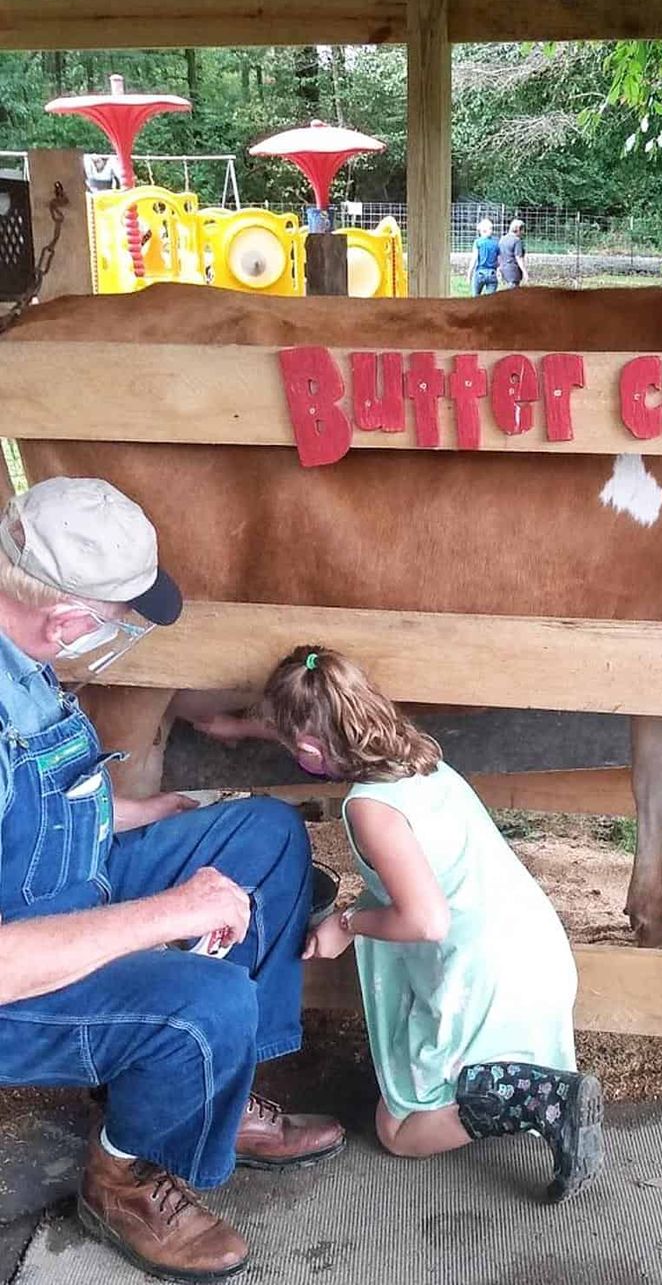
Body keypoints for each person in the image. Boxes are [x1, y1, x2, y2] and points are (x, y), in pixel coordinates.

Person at [0, 477, 345, 1283]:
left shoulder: (21, 649)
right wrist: (170, 911)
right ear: (65, 620)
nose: (117, 634)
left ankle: (221, 1093)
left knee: (263, 833)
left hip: (63, 890)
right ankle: (123, 1171)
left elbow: (31, 811)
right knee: (206, 997)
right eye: (115, 619)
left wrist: (131, 811)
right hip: (22, 980)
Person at [253, 645, 604, 1203]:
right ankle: (531, 1088)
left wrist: (347, 923)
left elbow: (427, 921)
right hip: (535, 950)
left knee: (398, 1131)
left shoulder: (368, 807)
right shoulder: (422, 760)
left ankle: (534, 1101)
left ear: (310, 750)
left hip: (485, 978)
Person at [467, 217, 500, 297]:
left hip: (480, 272)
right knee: (489, 300)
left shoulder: (478, 242)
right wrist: (499, 273)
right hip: (492, 273)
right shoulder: (496, 243)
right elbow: (499, 260)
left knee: (476, 298)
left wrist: (469, 274)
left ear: (482, 231)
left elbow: (474, 259)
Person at [498, 218, 528, 289]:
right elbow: (518, 257)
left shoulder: (502, 239)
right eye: (522, 230)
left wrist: (498, 268)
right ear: (518, 230)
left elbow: (499, 255)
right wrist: (524, 271)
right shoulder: (517, 241)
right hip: (513, 271)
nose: (523, 232)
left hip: (504, 269)